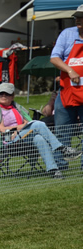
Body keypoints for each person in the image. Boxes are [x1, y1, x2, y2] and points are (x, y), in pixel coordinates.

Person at [0, 83, 81, 179]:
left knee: (39, 138)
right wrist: (19, 128)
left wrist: (21, 127)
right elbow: (1, 129)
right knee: (38, 124)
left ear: (13, 96)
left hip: (23, 136)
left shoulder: (17, 108)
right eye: (1, 94)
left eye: (7, 94)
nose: (3, 96)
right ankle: (62, 148)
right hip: (9, 139)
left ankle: (53, 170)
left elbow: (27, 122)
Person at [50, 4, 83, 170]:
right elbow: (54, 58)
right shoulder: (67, 34)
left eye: (81, 17)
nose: (77, 19)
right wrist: (70, 70)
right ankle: (60, 167)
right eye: (76, 16)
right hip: (67, 93)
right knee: (62, 132)